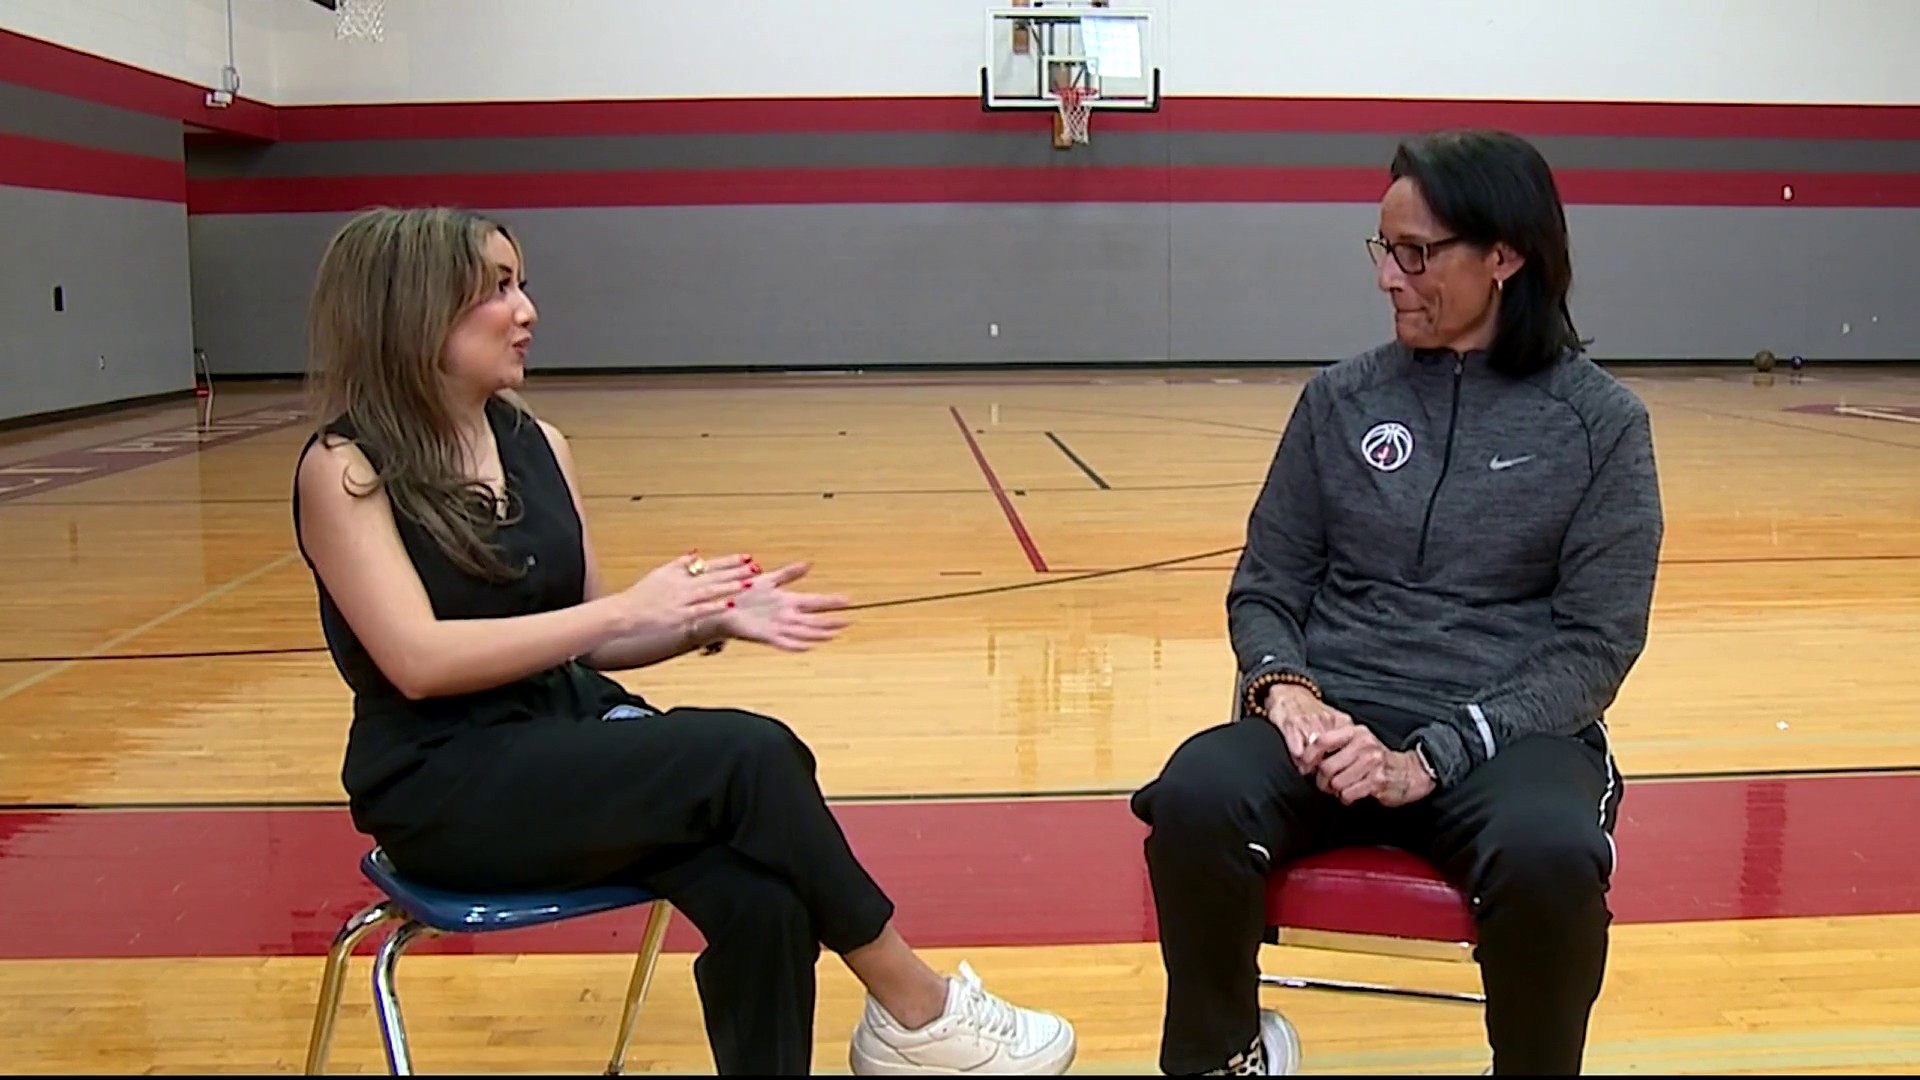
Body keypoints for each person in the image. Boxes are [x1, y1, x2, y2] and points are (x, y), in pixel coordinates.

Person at [290, 205, 1077, 1076]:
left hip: (564, 741)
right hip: (446, 784)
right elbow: (420, 661)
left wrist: (702, 620)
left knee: (764, 894)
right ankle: (916, 1007)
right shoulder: (345, 470)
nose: (528, 311)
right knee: (750, 755)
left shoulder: (538, 443)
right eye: (499, 288)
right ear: (415, 309)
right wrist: (626, 611)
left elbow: (584, 641)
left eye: (524, 284)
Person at [1130, 129, 1664, 1076]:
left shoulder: (1603, 428)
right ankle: (1222, 1057)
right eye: (1384, 249)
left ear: (1505, 257)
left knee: (1550, 857)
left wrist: (1433, 757)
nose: (1389, 278)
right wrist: (1287, 696)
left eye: (1417, 253)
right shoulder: (1338, 402)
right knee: (1197, 795)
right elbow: (1267, 584)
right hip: (1331, 724)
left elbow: (1595, 646)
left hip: (1501, 740)